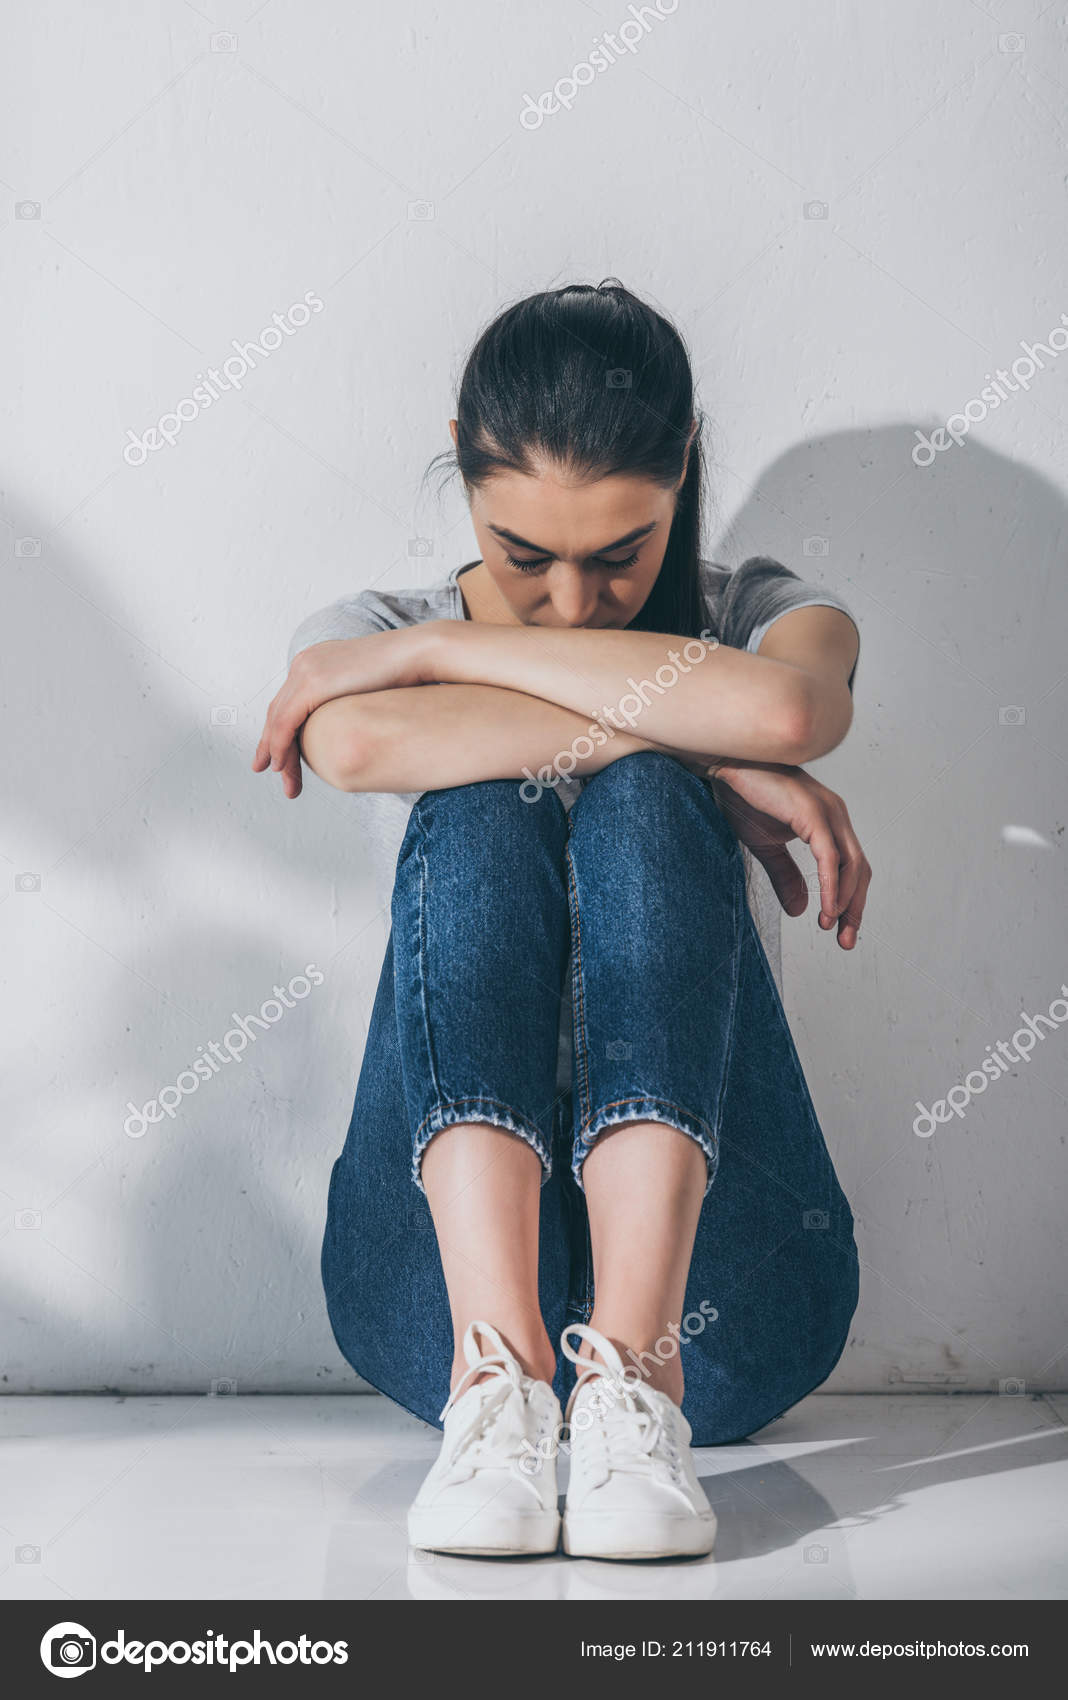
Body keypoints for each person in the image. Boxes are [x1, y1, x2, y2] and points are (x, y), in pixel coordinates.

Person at [254, 280, 870, 1561]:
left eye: (621, 555)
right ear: (468, 484)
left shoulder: (760, 610)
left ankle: (635, 1376)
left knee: (645, 791)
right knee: (495, 803)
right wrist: (700, 743)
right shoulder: (375, 636)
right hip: (425, 1306)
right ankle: (500, 1383)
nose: (575, 602)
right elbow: (354, 737)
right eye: (524, 556)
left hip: (731, 1315)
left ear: (683, 474)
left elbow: (791, 714)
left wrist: (452, 662)